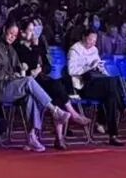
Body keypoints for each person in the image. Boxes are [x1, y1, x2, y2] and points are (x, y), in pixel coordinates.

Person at [0, 21, 71, 152]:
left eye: (15, 35)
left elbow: (17, 67)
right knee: (29, 81)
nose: (12, 37)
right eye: (10, 33)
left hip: (13, 85)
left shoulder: (11, 49)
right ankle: (54, 110)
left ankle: (32, 136)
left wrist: (21, 69)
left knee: (31, 96)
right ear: (4, 30)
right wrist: (14, 75)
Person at [14, 18, 90, 149]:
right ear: (23, 32)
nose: (34, 33)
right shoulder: (18, 47)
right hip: (28, 83)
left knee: (57, 88)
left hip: (40, 79)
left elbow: (47, 66)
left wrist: (40, 69)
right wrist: (35, 47)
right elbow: (29, 63)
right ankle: (72, 117)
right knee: (55, 88)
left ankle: (60, 136)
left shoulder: (38, 45)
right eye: (31, 30)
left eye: (35, 30)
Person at [66, 28, 126, 146]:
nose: (92, 43)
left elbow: (99, 66)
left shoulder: (94, 50)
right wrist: (88, 67)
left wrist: (100, 68)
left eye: (94, 40)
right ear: (84, 37)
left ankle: (113, 136)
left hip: (98, 82)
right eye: (90, 39)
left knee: (111, 94)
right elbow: (71, 70)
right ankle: (125, 108)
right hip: (83, 85)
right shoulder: (75, 50)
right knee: (111, 85)